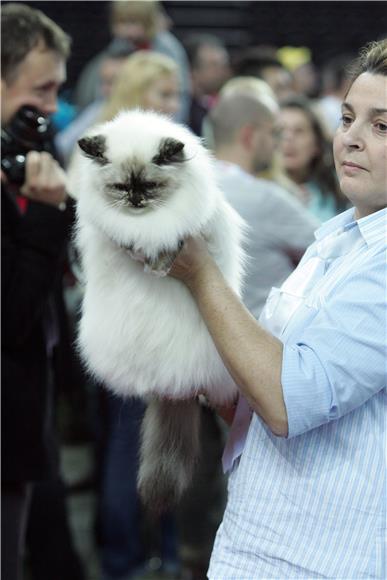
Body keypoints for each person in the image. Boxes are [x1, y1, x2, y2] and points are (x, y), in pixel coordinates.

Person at [168, 38, 387, 578]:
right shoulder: (336, 240)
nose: (351, 140)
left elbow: (289, 402)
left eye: (382, 126)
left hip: (322, 559)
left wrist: (201, 276)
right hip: (262, 540)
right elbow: (269, 397)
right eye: (347, 118)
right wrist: (215, 382)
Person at [70, 50, 181, 580]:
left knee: (151, 443)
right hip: (128, 326)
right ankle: (126, 562)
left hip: (148, 322)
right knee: (127, 446)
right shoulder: (100, 149)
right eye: (164, 95)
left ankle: (150, 556)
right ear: (137, 99)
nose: (175, 105)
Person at [1, 4, 84, 580]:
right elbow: (9, 314)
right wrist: (49, 217)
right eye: (42, 88)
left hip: (25, 416)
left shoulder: (18, 158)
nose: (53, 107)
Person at [208, 79, 319, 318]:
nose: (278, 144)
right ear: (250, 136)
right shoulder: (264, 198)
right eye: (273, 133)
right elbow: (330, 247)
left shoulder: (193, 188)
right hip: (263, 336)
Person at [73, 0, 190, 123]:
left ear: (149, 21)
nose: (128, 30)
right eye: (122, 22)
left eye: (134, 22)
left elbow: (180, 93)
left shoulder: (167, 48)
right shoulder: (119, 45)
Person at [277, 96, 347, 221]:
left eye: (299, 131)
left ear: (316, 145)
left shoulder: (338, 189)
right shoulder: (258, 190)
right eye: (280, 130)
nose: (288, 138)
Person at [183, 33, 231, 135]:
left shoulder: (215, 105)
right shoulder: (181, 111)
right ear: (192, 70)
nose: (222, 71)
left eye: (224, 64)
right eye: (214, 65)